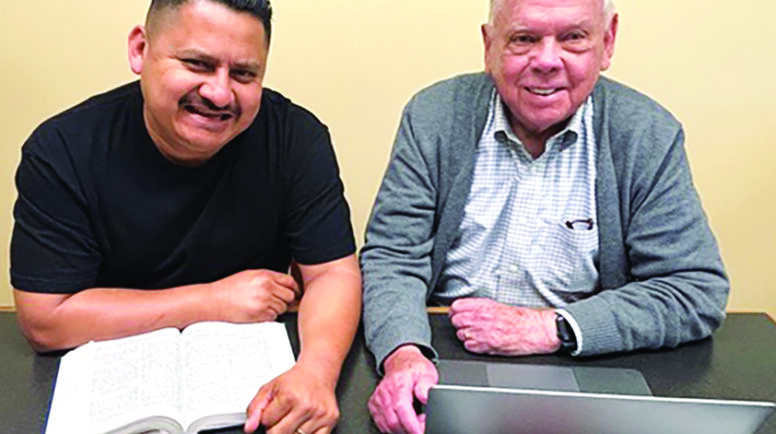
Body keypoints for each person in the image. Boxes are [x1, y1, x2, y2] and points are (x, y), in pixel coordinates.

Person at [360, 0, 729, 432]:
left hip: (583, 359)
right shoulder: (434, 115)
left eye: (572, 38)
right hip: (440, 355)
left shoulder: (647, 133)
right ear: (489, 45)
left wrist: (550, 328)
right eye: (524, 39)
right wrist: (403, 354)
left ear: (606, 43)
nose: (547, 61)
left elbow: (694, 290)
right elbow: (392, 258)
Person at [10, 1, 361, 433]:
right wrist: (211, 301)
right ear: (140, 50)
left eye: (244, 74)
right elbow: (46, 319)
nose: (219, 92)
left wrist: (316, 374)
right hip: (111, 390)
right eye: (198, 63)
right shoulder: (61, 150)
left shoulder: (297, 139)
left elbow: (332, 274)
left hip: (248, 391)